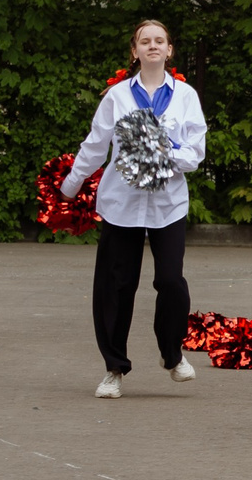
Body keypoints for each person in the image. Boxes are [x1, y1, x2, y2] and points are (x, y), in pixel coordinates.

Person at [64, 20, 207, 399]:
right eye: (145, 41)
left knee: (172, 283)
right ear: (135, 51)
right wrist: (71, 183)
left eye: (159, 40)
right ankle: (114, 368)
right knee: (116, 286)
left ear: (169, 50)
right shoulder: (116, 97)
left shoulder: (186, 96)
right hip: (121, 203)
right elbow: (96, 145)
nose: (153, 46)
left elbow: (196, 152)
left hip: (167, 204)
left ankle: (172, 355)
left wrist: (162, 152)